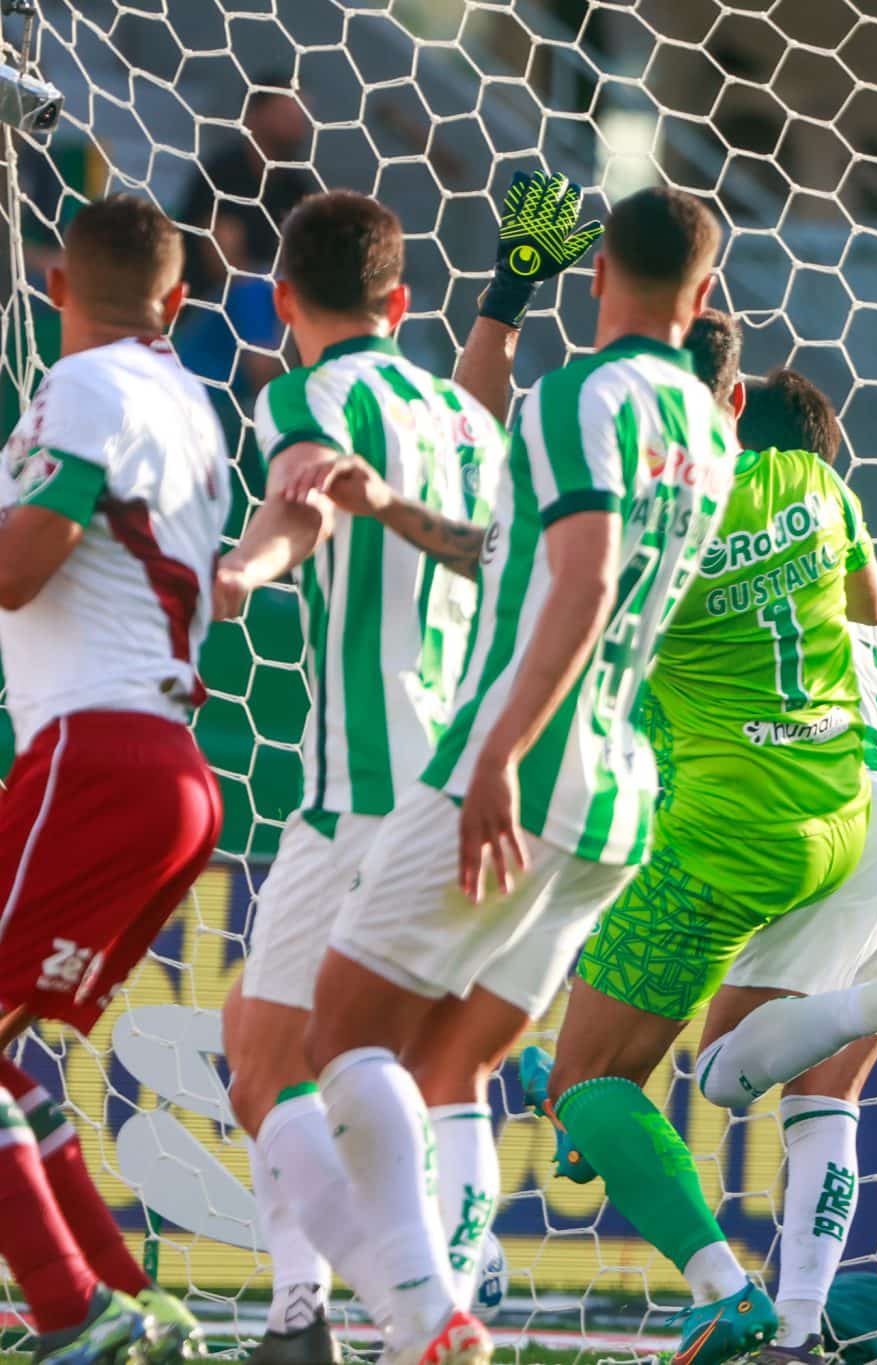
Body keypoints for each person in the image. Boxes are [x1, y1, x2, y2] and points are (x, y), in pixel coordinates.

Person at [289, 182, 737, 1365]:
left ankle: (427, 1315)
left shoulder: (572, 397)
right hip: (619, 795)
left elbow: (578, 576)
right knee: (451, 1061)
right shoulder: (707, 429)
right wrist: (393, 502)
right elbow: (517, 530)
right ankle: (431, 1320)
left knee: (333, 1031)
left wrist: (497, 753)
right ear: (700, 299)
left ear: (596, 278)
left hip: (520, 762)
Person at [513, 352, 877, 1365]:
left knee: (718, 1072)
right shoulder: (821, 511)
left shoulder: (688, 535)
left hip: (833, 812)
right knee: (822, 1100)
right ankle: (797, 1329)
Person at [209, 189, 519, 1365]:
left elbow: (307, 506)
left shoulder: (306, 393)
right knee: (433, 1065)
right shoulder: (458, 415)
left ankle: (399, 1307)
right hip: (463, 782)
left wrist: (243, 569)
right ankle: (320, 1319)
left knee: (262, 1060)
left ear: (283, 301)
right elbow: (475, 527)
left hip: (359, 793)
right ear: (400, 301)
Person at [0, 194, 231, 1363]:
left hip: (99, 752)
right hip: (170, 769)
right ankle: (123, 1297)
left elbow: (19, 571)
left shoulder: (85, 390)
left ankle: (71, 1314)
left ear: (55, 290)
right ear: (178, 303)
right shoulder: (189, 403)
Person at [176, 79, 315, 293]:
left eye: (302, 116)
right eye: (287, 114)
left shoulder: (296, 188)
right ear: (254, 116)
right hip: (210, 306)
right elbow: (224, 266)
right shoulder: (222, 175)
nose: (299, 124)